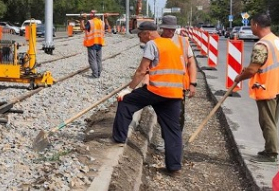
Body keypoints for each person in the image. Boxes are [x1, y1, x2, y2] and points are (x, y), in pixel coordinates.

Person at [112, 20, 187, 175]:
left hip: (157, 90)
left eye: (139, 35)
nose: (139, 38)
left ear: (147, 33)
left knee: (125, 101)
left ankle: (118, 139)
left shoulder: (152, 44)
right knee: (173, 130)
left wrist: (128, 89)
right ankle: (174, 167)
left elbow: (141, 70)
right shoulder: (173, 45)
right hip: (174, 93)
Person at [232, 13, 279, 163]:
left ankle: (271, 153)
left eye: (252, 24)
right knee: (272, 120)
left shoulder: (262, 45)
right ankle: (269, 148)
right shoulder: (276, 40)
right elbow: (270, 63)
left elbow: (253, 69)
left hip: (268, 86)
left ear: (256, 25)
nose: (251, 27)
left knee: (267, 122)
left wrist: (239, 77)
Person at [158, 15, 198, 129]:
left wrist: (193, 83)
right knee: (162, 116)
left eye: (173, 29)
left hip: (179, 86)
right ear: (163, 28)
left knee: (178, 115)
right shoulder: (156, 42)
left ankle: (175, 142)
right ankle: (166, 139)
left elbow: (191, 63)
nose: (171, 31)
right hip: (160, 87)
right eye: (168, 29)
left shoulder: (183, 41)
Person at [83, 9, 105, 78]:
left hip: (92, 43)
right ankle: (98, 72)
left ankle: (95, 74)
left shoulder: (90, 22)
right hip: (100, 42)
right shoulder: (102, 22)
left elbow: (84, 28)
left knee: (92, 59)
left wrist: (82, 20)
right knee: (99, 59)